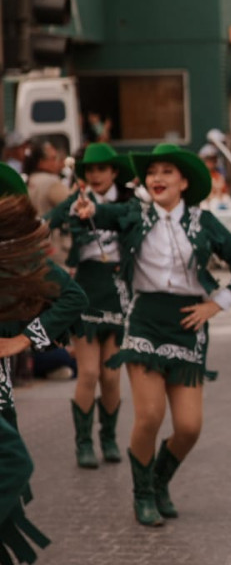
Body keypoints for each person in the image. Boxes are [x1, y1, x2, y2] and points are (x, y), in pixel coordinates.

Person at [74, 143, 231, 527]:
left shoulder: (204, 222)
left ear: (183, 182)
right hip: (144, 320)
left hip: (189, 326)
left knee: (190, 427)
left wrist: (216, 304)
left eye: (166, 172)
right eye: (152, 172)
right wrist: (89, 210)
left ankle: (158, 480)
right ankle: (142, 494)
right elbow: (102, 213)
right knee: (149, 415)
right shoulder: (133, 214)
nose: (157, 178)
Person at [0, 165, 87, 565]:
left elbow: (72, 297)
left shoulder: (18, 260)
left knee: (10, 469)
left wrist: (24, 339)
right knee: (12, 462)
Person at [46, 143, 135, 468]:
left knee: (111, 376)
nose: (95, 175)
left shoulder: (129, 203)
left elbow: (132, 221)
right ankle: (83, 444)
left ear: (114, 172)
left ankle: (108, 438)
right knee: (88, 372)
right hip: (85, 291)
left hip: (117, 291)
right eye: (90, 170)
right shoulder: (76, 201)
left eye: (102, 169)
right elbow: (46, 222)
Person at [24, 138, 69, 218]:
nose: (57, 162)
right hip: (50, 229)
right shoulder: (51, 181)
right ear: (41, 162)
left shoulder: (30, 179)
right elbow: (70, 203)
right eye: (53, 158)